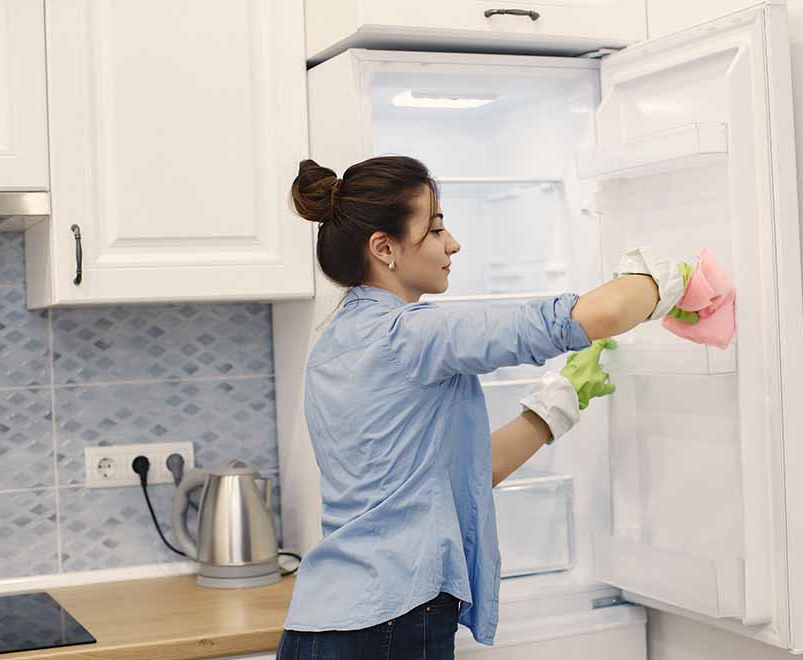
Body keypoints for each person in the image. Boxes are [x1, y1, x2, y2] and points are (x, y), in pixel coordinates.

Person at [277, 156, 685, 660]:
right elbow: (593, 315)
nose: (452, 243)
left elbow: (456, 476)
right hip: (392, 623)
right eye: (436, 228)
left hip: (318, 628)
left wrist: (555, 406)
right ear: (384, 248)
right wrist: (670, 280)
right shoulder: (414, 334)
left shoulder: (333, 344)